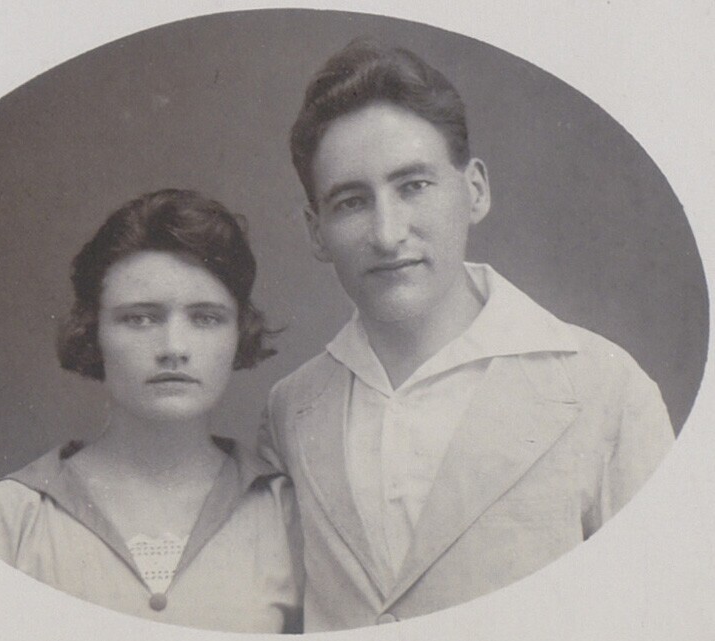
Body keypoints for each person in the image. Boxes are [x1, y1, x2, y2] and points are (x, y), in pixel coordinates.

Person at [258, 39, 675, 631]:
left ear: (474, 190)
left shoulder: (605, 388)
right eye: (351, 202)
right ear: (316, 232)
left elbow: (664, 613)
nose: (387, 233)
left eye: (413, 185)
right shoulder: (291, 410)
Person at [0, 189, 302, 633]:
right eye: (140, 318)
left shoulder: (285, 511)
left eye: (205, 318)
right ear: (93, 332)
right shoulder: (12, 516)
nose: (173, 348)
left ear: (239, 332)